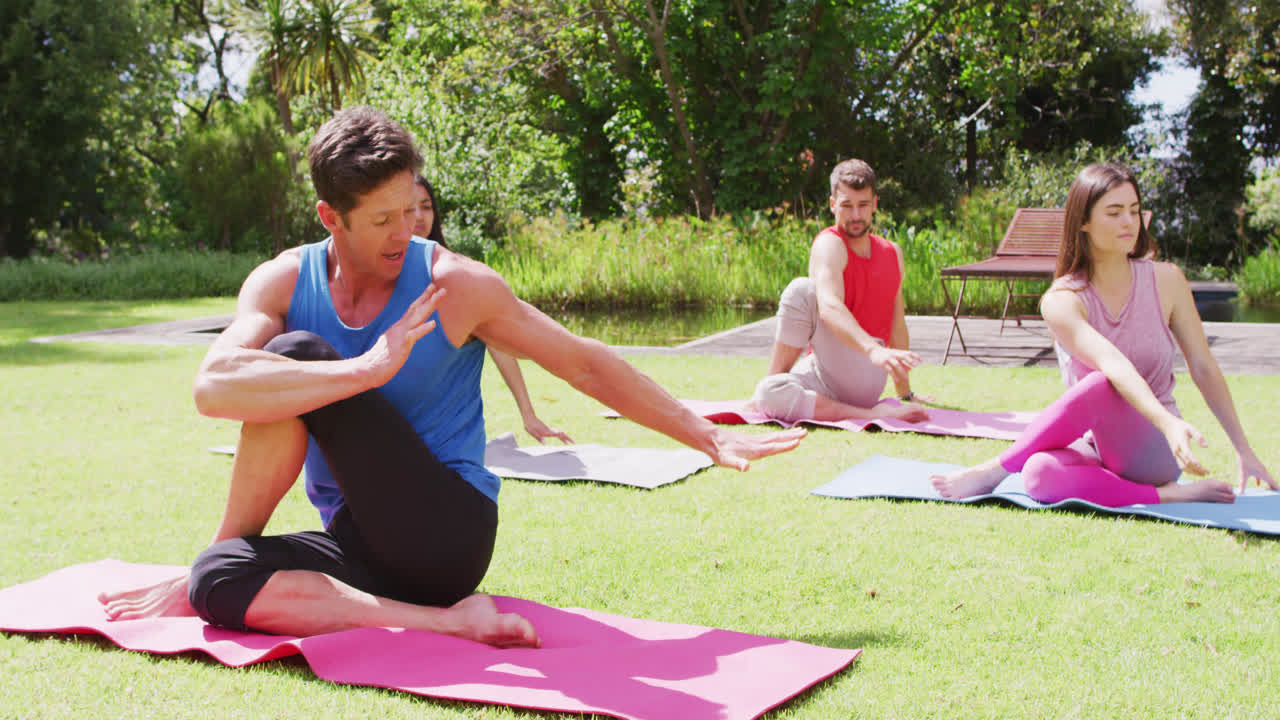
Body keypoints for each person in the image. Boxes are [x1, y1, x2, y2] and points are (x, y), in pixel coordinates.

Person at [98, 107, 805, 648]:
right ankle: (444, 625)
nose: (404, 231)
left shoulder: (455, 285)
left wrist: (701, 434)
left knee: (300, 356)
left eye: (410, 210)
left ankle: (441, 602)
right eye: (381, 219)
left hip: (447, 534)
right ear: (329, 217)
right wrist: (369, 367)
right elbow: (214, 385)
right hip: (357, 541)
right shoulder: (283, 278)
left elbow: (582, 360)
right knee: (216, 582)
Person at [932, 163, 1275, 505]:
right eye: (1114, 213)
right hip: (1094, 444)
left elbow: (1202, 365)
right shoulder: (1062, 300)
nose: (1129, 222)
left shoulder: (1167, 280)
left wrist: (1239, 448)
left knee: (1099, 383)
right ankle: (1170, 496)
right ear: (1083, 221)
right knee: (1038, 475)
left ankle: (993, 471)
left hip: (1152, 444)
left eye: (1134, 210)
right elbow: (1112, 362)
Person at [752, 158, 929, 424]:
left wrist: (904, 390)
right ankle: (864, 413)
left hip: (864, 370)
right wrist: (876, 354)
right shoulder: (831, 244)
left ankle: (867, 412)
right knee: (769, 393)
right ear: (833, 205)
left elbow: (896, 324)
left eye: (863, 205)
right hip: (825, 372)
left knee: (801, 290)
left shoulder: (893, 253)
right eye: (847, 206)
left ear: (875, 205)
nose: (856, 215)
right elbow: (830, 306)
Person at [412, 174, 570, 444]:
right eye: (408, 207)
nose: (419, 216)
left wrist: (528, 414)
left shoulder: (456, 276)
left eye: (426, 206)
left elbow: (498, 342)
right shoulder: (376, 278)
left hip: (449, 437)